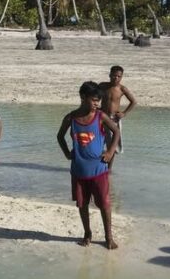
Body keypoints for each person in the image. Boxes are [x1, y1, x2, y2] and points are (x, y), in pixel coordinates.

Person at [56, 81, 121, 249]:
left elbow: (116, 132)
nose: (96, 104)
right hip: (78, 171)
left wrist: (110, 152)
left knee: (104, 204)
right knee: (82, 204)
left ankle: (108, 237)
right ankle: (87, 233)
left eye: (98, 101)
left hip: (99, 170)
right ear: (83, 97)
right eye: (93, 100)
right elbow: (60, 136)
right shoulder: (71, 118)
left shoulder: (100, 116)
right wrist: (67, 153)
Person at [99, 65, 137, 163]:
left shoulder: (122, 89)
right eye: (114, 75)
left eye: (119, 76)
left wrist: (124, 113)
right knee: (98, 143)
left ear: (121, 77)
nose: (116, 78)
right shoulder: (103, 86)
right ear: (110, 75)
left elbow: (133, 102)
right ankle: (98, 167)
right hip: (101, 117)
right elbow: (93, 96)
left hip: (113, 119)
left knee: (112, 146)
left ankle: (109, 170)